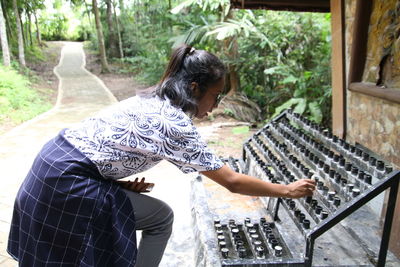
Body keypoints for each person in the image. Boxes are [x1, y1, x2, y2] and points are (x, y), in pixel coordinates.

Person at [7, 44, 316, 267]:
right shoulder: (175, 124)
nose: (217, 104)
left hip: (53, 161)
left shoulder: (150, 99)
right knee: (161, 217)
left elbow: (99, 147)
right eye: (216, 95)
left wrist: (112, 183)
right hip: (67, 181)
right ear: (195, 88)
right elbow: (232, 182)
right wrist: (286, 191)